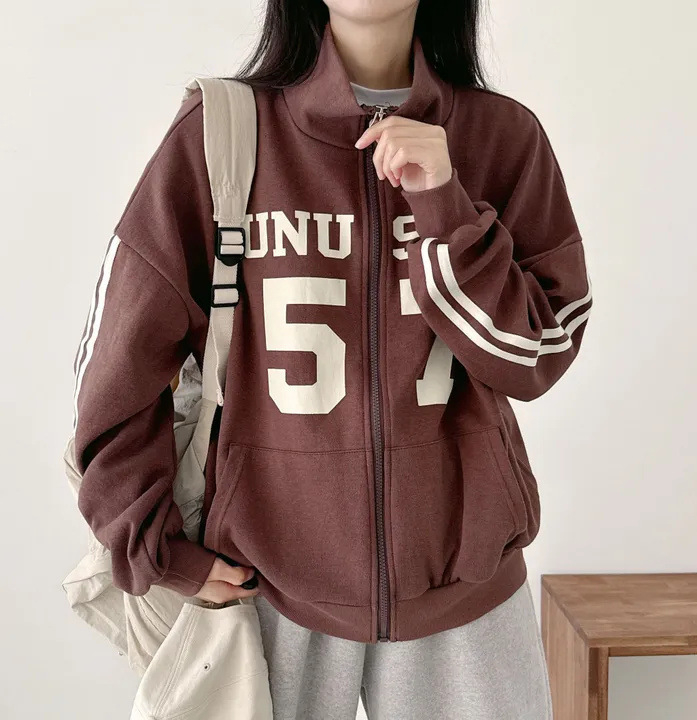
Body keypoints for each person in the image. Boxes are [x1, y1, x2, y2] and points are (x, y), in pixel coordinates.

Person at [71, 1, 591, 717]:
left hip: (465, 589)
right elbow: (116, 364)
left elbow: (536, 355)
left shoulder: (502, 138)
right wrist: (154, 546)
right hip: (264, 587)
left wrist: (444, 205)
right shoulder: (223, 134)